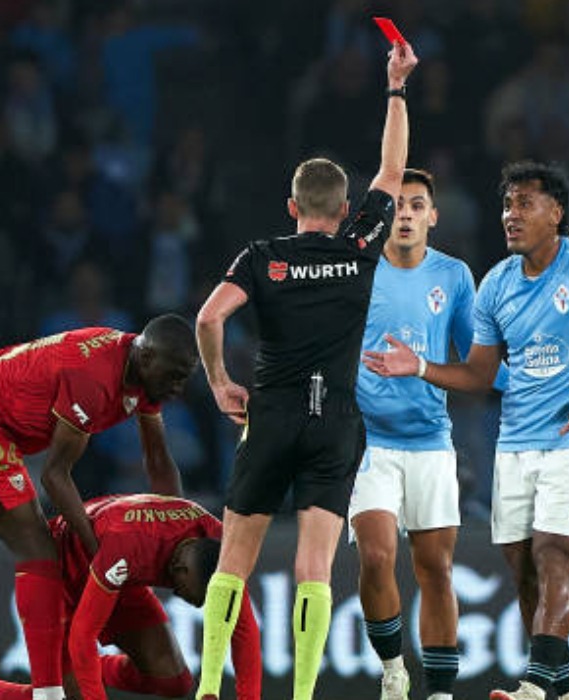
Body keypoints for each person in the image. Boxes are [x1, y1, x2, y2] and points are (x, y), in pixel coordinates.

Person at [366, 161, 569, 700]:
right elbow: (478, 374)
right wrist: (422, 367)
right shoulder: (496, 284)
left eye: (524, 204)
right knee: (525, 573)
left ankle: (534, 687)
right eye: (506, 205)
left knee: (554, 556)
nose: (510, 215)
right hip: (515, 442)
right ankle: (567, 694)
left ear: (556, 213)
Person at [193, 40, 418, 700]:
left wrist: (217, 383)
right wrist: (396, 88)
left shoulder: (263, 256)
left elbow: (209, 319)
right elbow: (393, 166)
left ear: (293, 207)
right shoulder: (359, 247)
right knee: (313, 565)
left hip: (273, 411)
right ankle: (301, 696)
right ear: (346, 211)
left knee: (235, 560)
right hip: (336, 421)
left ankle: (211, 687)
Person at [0, 317, 199, 700]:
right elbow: (55, 477)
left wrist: (177, 525)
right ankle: (48, 693)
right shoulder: (93, 379)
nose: (178, 387)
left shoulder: (141, 372)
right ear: (145, 356)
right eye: (174, 376)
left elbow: (158, 461)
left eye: (184, 378)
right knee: (39, 549)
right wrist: (100, 553)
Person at [0, 494, 262, 700]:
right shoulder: (130, 546)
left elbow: (244, 631)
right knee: (65, 697)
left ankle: (78, 676)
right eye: (194, 597)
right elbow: (84, 636)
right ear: (181, 570)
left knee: (175, 680)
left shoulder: (223, 547)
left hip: (112, 573)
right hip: (61, 570)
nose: (197, 605)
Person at [351, 168, 479, 700]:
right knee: (377, 558)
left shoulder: (454, 277)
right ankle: (392, 670)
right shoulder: (357, 273)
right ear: (384, 215)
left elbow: (476, 370)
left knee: (436, 569)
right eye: (397, 204)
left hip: (430, 441)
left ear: (432, 215)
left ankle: (443, 693)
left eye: (415, 205)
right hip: (367, 443)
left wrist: (420, 367)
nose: (404, 213)